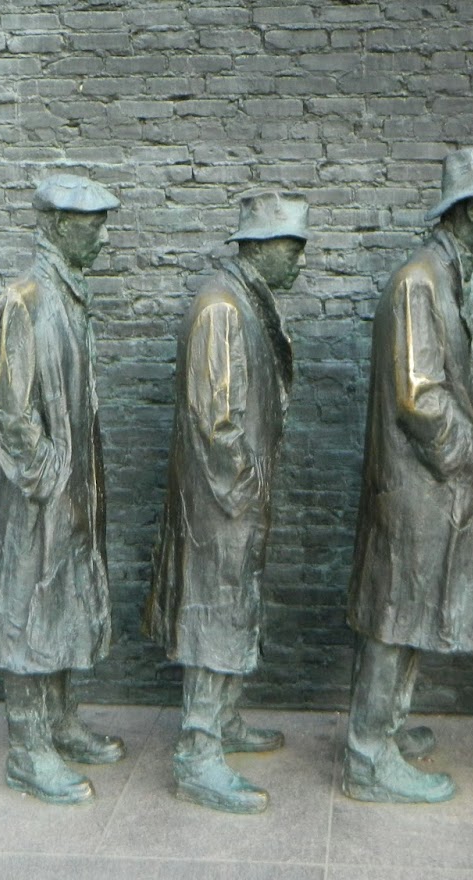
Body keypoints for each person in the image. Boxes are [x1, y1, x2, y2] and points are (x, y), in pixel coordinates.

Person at [343, 147, 473, 804]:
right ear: (471, 210)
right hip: (418, 487)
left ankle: (386, 728)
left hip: (426, 487)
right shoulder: (419, 282)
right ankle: (367, 755)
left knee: (410, 614)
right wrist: (466, 456)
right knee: (396, 618)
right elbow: (419, 395)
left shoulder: (441, 277)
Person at [143, 191, 308, 814]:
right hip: (223, 501)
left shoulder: (245, 300)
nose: (299, 260)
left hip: (236, 497)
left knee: (234, 610)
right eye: (292, 247)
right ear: (261, 247)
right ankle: (198, 749)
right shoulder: (221, 307)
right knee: (216, 613)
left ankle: (226, 719)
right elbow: (216, 420)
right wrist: (245, 490)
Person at [0, 173, 124, 805]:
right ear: (58, 226)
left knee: (63, 599)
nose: (101, 236)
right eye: (91, 226)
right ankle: (27, 748)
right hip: (44, 493)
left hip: (71, 490)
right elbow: (10, 410)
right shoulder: (25, 299)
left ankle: (61, 723)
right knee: (30, 608)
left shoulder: (68, 296)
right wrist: (47, 476)